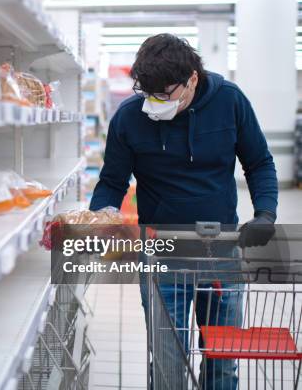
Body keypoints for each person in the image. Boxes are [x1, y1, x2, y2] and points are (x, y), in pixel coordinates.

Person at [89, 34, 278, 389]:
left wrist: (265, 213)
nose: (154, 102)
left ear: (192, 78)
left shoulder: (230, 101)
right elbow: (111, 181)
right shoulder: (129, 117)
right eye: (147, 93)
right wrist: (103, 213)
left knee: (222, 362)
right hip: (161, 256)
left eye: (164, 93)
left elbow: (259, 163)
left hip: (220, 252)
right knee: (167, 363)